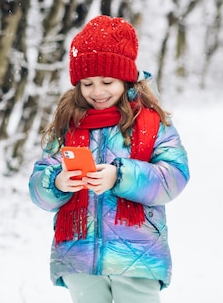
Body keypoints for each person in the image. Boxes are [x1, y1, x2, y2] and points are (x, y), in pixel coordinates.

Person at [28, 15, 189, 303]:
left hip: (138, 255)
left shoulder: (151, 122)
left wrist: (121, 177)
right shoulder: (68, 123)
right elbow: (40, 189)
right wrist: (58, 182)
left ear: (125, 78)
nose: (97, 92)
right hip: (79, 256)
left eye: (107, 81)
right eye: (87, 83)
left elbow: (174, 178)